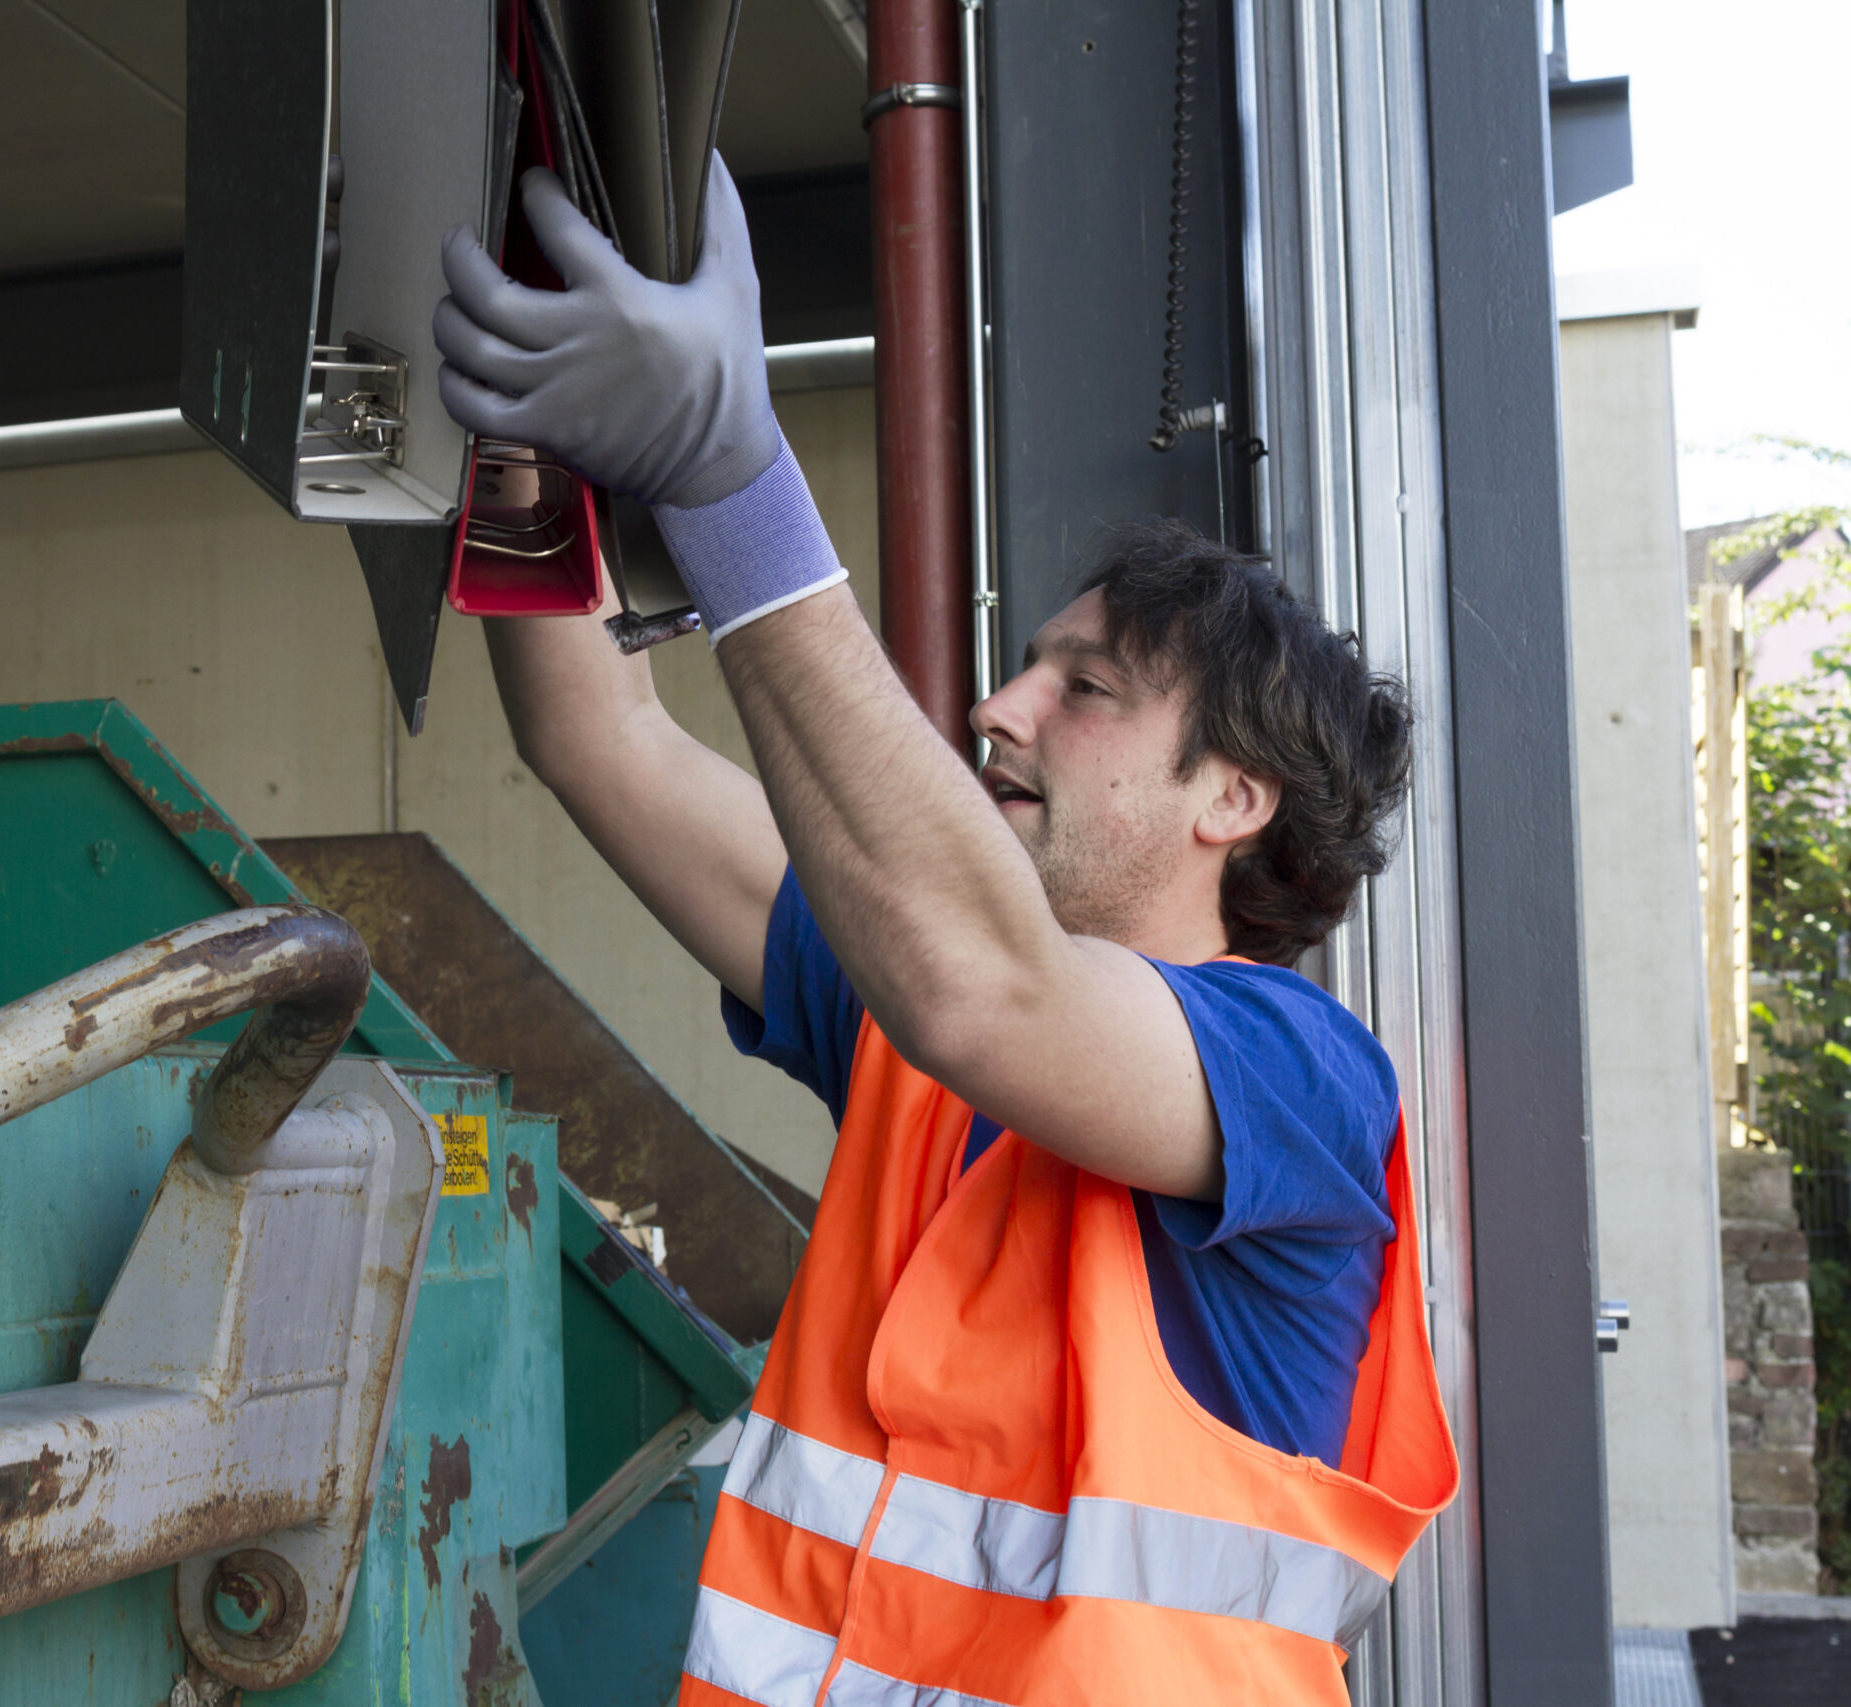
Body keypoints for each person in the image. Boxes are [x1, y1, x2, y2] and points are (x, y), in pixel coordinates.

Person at [434, 157, 1458, 1705]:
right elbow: (607, 747)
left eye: (1085, 688)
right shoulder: (919, 1031)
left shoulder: (1300, 1079)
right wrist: (526, 487)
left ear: (1234, 799)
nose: (999, 706)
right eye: (1025, 666)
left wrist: (730, 479)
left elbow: (989, 992)